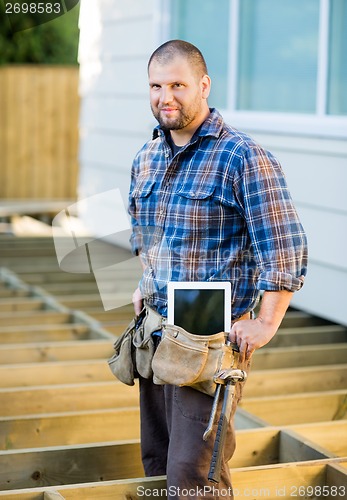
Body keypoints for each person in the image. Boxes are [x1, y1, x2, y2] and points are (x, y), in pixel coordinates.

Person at [128, 40, 308, 499]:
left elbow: (283, 245)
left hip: (208, 337)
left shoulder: (242, 157)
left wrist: (267, 321)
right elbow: (147, 237)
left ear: (203, 85)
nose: (165, 97)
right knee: (158, 459)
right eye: (155, 86)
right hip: (153, 334)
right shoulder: (146, 159)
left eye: (177, 85)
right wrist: (142, 284)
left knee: (193, 476)